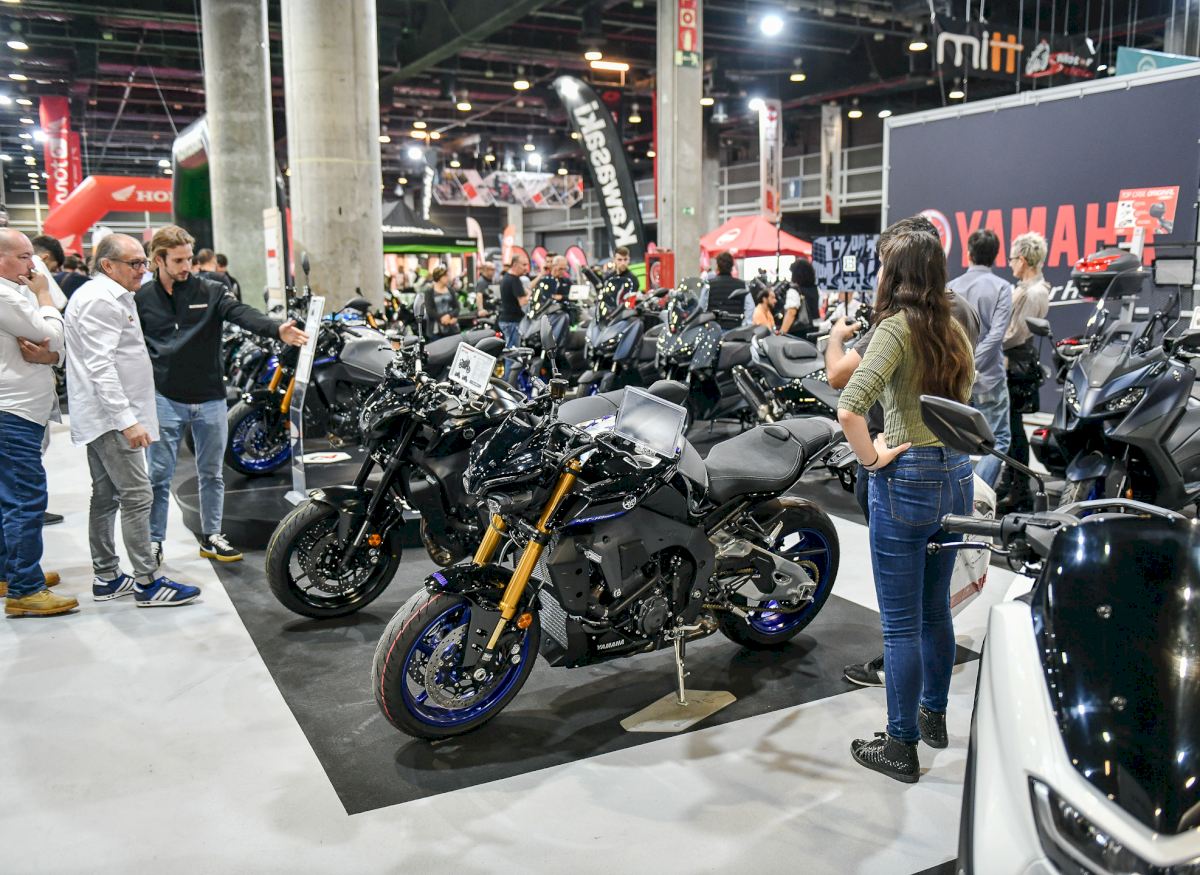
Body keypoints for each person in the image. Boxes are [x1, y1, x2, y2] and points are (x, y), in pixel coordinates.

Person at [837, 224, 976, 783]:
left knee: (899, 627)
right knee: (936, 610)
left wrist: (872, 459)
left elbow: (850, 407)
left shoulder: (894, 329)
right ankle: (933, 718)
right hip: (956, 476)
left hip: (906, 480)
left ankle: (901, 745)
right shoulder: (953, 328)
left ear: (894, 275)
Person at [137, 224, 307, 566]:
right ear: (158, 260)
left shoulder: (211, 289)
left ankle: (212, 535)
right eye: (179, 260)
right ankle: (153, 540)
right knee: (158, 476)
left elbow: (242, 314)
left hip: (211, 398)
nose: (187, 266)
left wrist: (276, 329)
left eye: (189, 258)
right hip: (164, 398)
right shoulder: (141, 298)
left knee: (212, 474)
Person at [64, 233, 202, 607]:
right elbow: (101, 366)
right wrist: (127, 420)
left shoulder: (107, 296)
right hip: (111, 418)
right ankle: (147, 581)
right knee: (137, 495)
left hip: (105, 415)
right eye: (135, 263)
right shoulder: (101, 301)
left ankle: (107, 577)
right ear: (108, 265)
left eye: (144, 262)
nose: (143, 269)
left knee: (106, 495)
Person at [0, 229, 75, 617]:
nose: (34, 265)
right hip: (14, 413)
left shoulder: (11, 293)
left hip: (14, 410)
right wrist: (44, 297)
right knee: (25, 500)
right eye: (25, 256)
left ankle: (10, 573)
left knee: (9, 499)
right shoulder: (5, 295)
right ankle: (25, 589)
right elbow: (52, 336)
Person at [948, 228, 1013, 487]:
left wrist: (963, 362)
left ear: (968, 253)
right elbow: (997, 335)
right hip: (989, 377)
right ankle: (978, 491)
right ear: (996, 256)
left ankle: (963, 490)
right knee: (998, 439)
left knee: (957, 438)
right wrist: (973, 361)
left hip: (955, 376)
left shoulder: (952, 287)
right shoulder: (1003, 287)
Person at [998, 231, 1051, 512]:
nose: (1009, 264)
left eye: (1011, 259)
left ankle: (1020, 490)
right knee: (1011, 426)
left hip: (1015, 364)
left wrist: (991, 341)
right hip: (1016, 361)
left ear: (1022, 259)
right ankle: (1010, 483)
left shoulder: (1033, 293)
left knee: (1014, 429)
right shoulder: (1029, 289)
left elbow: (1015, 334)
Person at [498, 253, 530, 383]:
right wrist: (531, 296)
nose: (526, 268)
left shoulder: (506, 278)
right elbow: (523, 301)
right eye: (523, 265)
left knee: (510, 354)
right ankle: (509, 385)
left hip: (507, 320)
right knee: (512, 356)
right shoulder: (514, 279)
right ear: (515, 264)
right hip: (512, 322)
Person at [417, 266, 461, 338]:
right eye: (445, 276)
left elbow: (457, 307)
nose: (447, 278)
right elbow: (429, 310)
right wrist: (442, 318)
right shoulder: (429, 292)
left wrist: (449, 316)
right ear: (439, 277)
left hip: (452, 328)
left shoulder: (450, 290)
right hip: (435, 330)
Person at [781, 257, 819, 336]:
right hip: (813, 330)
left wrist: (782, 333)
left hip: (797, 333)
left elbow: (791, 313)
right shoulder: (815, 289)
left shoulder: (794, 291)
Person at [707, 251, 745, 323]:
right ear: (732, 266)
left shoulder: (708, 284)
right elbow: (750, 307)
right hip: (735, 326)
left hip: (714, 326)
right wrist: (745, 324)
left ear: (717, 266)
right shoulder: (742, 285)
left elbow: (702, 306)